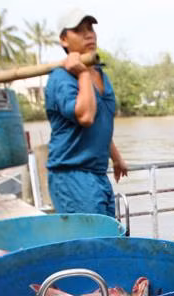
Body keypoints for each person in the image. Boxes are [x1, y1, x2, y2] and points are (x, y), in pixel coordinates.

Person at [44, 8, 128, 216]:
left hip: (98, 174)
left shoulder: (99, 73)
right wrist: (82, 74)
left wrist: (116, 158)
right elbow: (86, 116)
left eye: (90, 28)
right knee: (92, 242)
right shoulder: (61, 78)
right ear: (64, 39)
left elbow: (101, 125)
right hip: (72, 175)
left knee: (108, 237)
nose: (88, 34)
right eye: (79, 30)